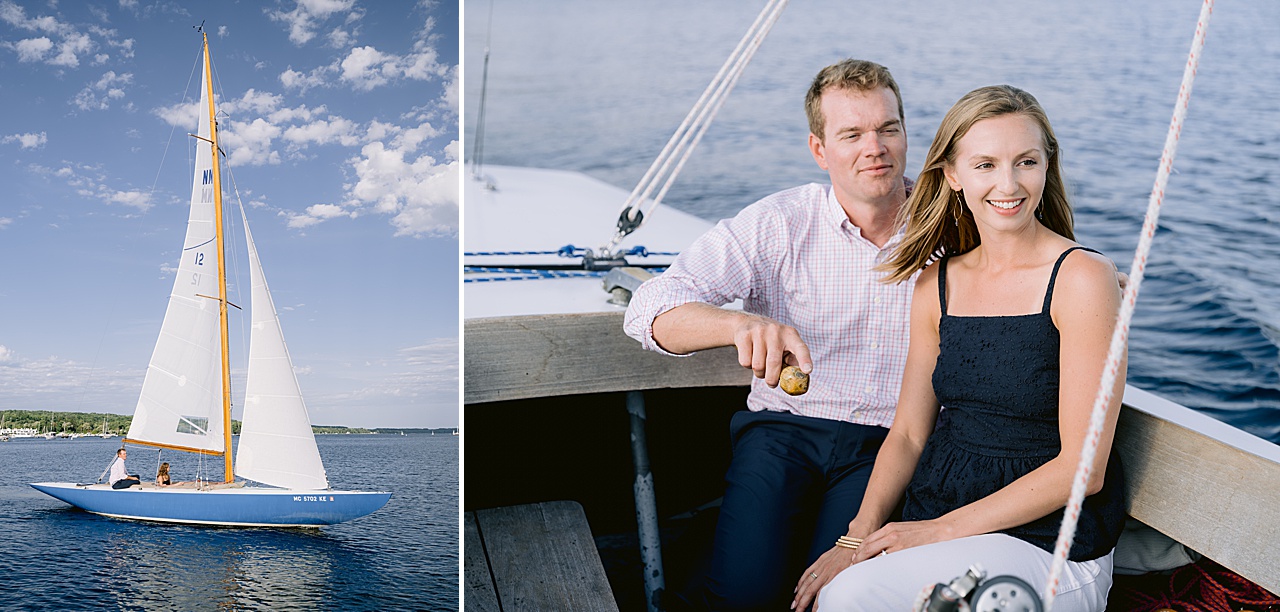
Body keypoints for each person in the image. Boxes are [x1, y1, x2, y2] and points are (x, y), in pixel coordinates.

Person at [795, 85, 1126, 611]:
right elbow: (906, 433)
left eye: (1026, 162)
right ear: (952, 175)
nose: (1008, 183)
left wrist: (933, 533)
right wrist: (856, 536)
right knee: (844, 593)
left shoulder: (1082, 277)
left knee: (868, 598)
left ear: (1046, 166)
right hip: (942, 509)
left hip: (1050, 540)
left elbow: (1082, 468)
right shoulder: (936, 286)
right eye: (985, 165)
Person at [624, 59, 916, 610]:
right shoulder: (780, 222)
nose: (874, 147)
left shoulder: (952, 217)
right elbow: (648, 308)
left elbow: (1034, 258)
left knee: (834, 596)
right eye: (851, 133)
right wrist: (738, 322)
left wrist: (1090, 280)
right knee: (744, 596)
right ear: (819, 149)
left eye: (888, 128)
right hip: (782, 434)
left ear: (904, 132)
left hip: (890, 443)